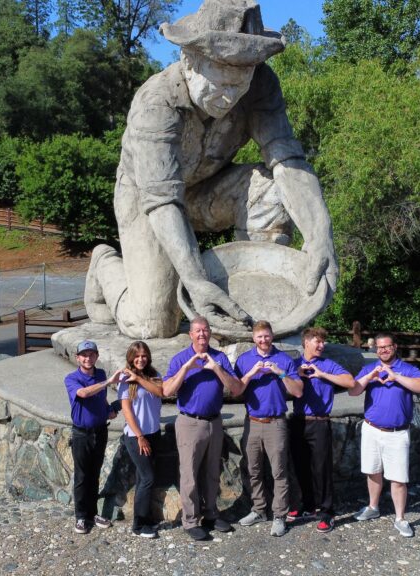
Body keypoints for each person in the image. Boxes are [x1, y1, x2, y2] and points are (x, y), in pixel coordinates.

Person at [84, 0, 338, 339]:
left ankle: (251, 325)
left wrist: (321, 235)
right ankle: (104, 266)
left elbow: (288, 161)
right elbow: (161, 201)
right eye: (218, 84)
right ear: (189, 62)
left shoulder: (261, 84)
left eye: (237, 85)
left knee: (271, 188)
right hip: (148, 202)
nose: (228, 97)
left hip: (209, 191)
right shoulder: (155, 102)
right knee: (152, 324)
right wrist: (195, 279)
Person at [162, 316, 241, 541]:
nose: (202, 334)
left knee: (212, 473)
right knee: (190, 475)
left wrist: (216, 368)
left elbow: (236, 389)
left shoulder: (220, 358)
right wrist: (187, 368)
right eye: (197, 331)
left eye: (205, 330)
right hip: (190, 423)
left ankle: (211, 514)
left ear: (210, 333)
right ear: (191, 335)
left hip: (214, 422)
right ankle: (191, 520)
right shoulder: (180, 359)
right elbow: (167, 390)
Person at [350, 333, 420, 538]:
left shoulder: (406, 369)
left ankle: (400, 518)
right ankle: (372, 506)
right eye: (379, 347)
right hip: (371, 429)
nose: (383, 350)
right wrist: (370, 376)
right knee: (372, 470)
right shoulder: (370, 368)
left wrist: (396, 377)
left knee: (398, 478)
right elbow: (353, 391)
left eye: (386, 347)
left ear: (394, 347)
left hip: (397, 433)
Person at [231, 320, 302, 537]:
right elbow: (235, 391)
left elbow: (298, 391)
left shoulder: (283, 359)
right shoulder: (244, 360)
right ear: (254, 338)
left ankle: (279, 515)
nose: (264, 340)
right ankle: (259, 509)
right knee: (253, 470)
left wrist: (280, 373)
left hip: (275, 422)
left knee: (279, 471)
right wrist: (250, 374)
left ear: (272, 336)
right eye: (260, 336)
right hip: (252, 422)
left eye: (267, 335)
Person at [287, 326, 355, 533]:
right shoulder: (295, 364)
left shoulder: (328, 364)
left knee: (321, 468)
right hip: (298, 420)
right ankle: (304, 506)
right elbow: (282, 382)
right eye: (318, 341)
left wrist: (323, 374)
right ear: (306, 342)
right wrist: (294, 374)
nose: (321, 345)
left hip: (319, 421)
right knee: (299, 466)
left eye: (323, 342)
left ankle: (327, 512)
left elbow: (350, 381)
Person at [64, 340, 119, 534]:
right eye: (84, 355)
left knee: (94, 475)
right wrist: (108, 382)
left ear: (96, 356)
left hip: (100, 431)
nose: (88, 358)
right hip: (81, 434)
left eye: (91, 354)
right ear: (77, 357)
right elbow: (84, 393)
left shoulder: (101, 374)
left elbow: (101, 397)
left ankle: (93, 513)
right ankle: (80, 516)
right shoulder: (72, 378)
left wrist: (108, 410)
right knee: (82, 476)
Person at [117, 341, 165, 539]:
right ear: (130, 358)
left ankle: (145, 517)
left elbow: (161, 392)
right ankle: (138, 525)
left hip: (154, 433)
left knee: (142, 478)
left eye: (144, 355)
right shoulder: (125, 379)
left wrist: (139, 377)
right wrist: (140, 437)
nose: (140, 359)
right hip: (137, 436)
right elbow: (127, 412)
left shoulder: (155, 376)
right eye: (136, 356)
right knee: (147, 478)